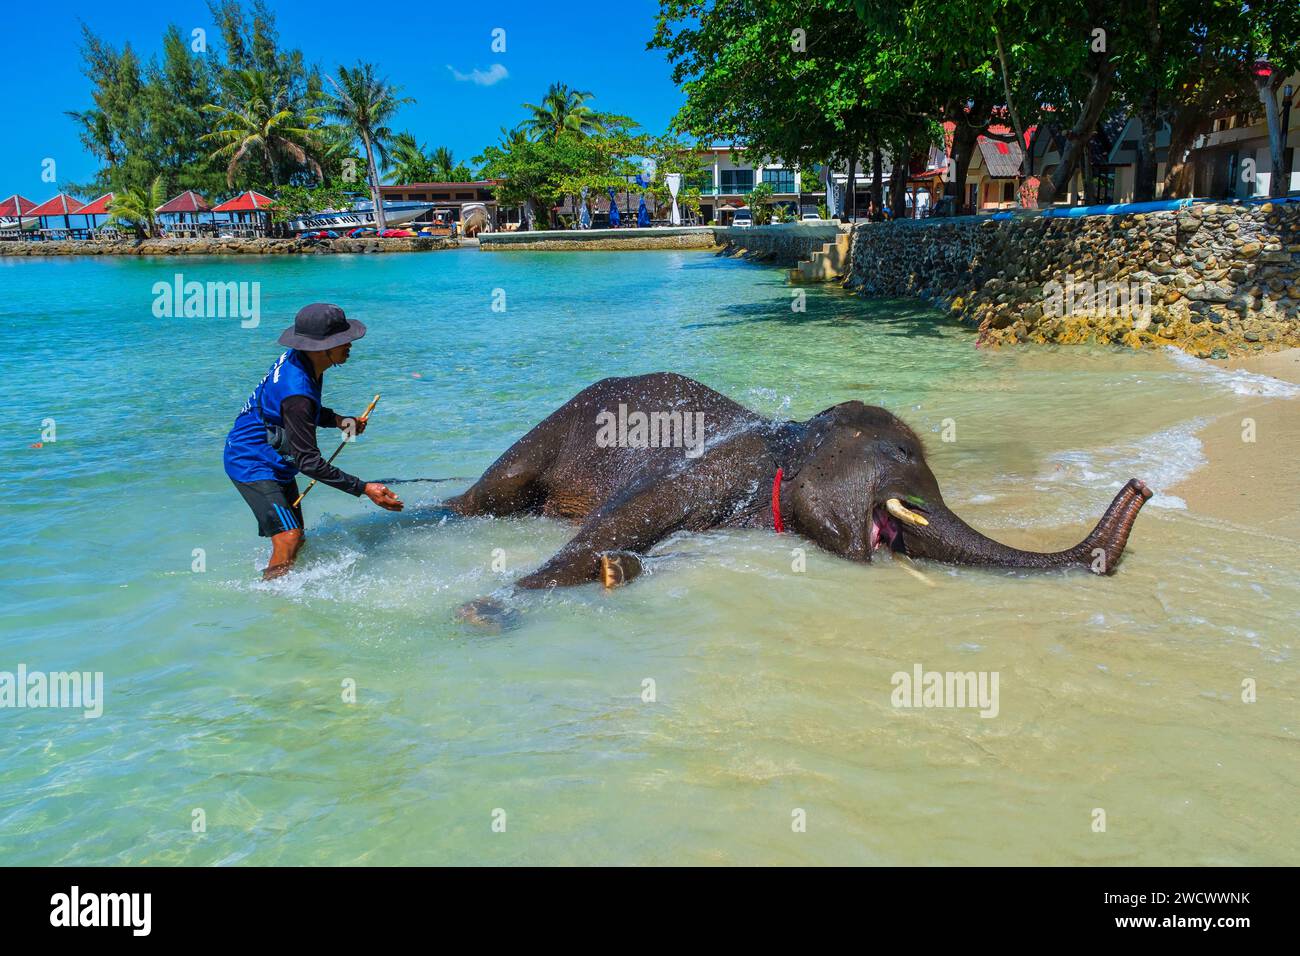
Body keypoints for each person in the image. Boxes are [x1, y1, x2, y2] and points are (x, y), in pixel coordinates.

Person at [224, 303, 403, 579]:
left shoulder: (302, 361)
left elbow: (296, 412)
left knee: (298, 539)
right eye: (342, 340)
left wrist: (340, 421)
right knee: (288, 538)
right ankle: (274, 604)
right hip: (251, 462)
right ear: (321, 347)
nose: (350, 345)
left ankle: (282, 589)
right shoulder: (297, 391)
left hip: (272, 456)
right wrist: (364, 488)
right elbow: (308, 462)